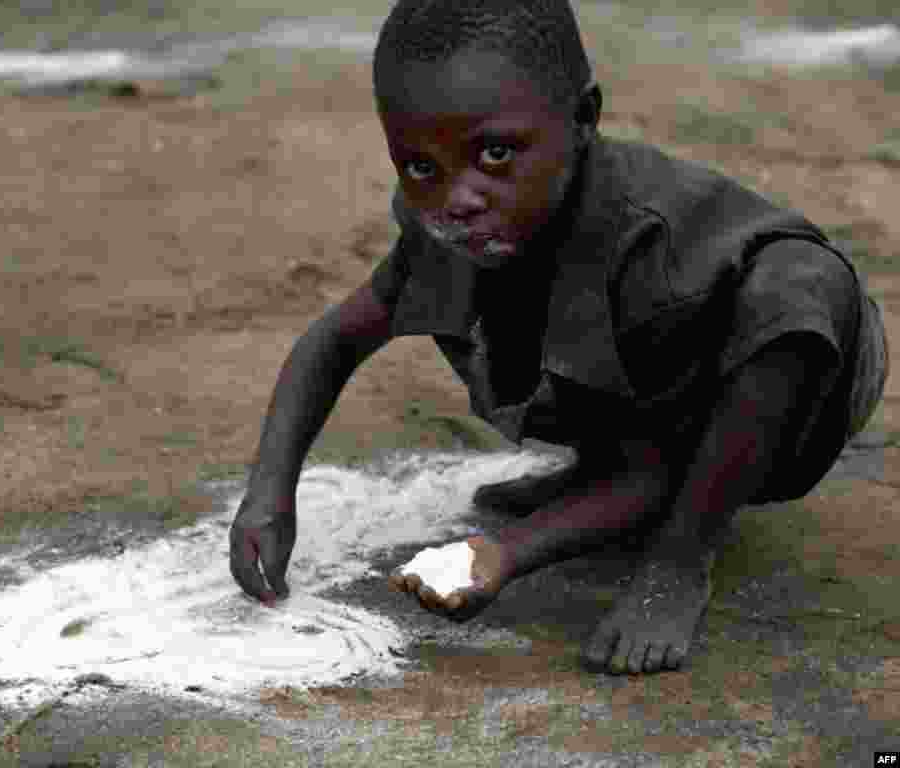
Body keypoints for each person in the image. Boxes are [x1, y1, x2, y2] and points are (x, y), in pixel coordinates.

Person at [230, 0, 890, 675]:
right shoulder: (460, 225)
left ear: (582, 120)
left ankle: (679, 563)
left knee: (796, 293)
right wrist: (268, 495)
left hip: (805, 383)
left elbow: (659, 471)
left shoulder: (645, 254)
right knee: (477, 296)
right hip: (655, 380)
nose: (459, 196)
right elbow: (334, 342)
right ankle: (599, 472)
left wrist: (508, 552)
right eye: (421, 166)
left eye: (495, 153)